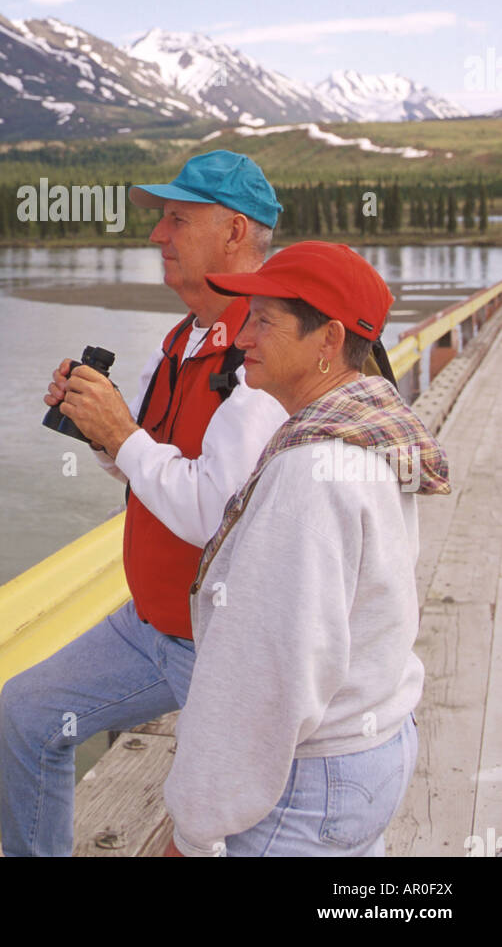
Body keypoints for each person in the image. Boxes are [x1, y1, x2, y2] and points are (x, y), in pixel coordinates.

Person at [0, 150, 289, 857]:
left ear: (235, 233)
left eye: (177, 219)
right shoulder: (180, 341)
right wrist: (103, 433)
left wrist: (122, 434)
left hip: (226, 646)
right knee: (30, 713)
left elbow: (213, 512)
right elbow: (153, 470)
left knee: (227, 832)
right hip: (154, 625)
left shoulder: (264, 352)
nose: (159, 235)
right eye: (161, 219)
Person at [161, 241, 450, 858]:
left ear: (328, 340)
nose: (242, 338)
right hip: (377, 747)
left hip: (310, 787)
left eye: (264, 321)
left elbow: (268, 672)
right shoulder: (373, 429)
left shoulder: (310, 473)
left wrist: (193, 828)